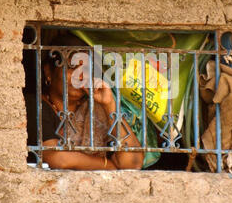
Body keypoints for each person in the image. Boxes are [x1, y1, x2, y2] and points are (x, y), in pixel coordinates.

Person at [25, 33, 144, 170]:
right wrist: (111, 166)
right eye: (72, 67)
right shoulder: (34, 105)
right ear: (48, 72)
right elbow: (58, 159)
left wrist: (110, 105)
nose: (79, 76)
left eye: (86, 69)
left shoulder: (96, 110)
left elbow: (133, 163)